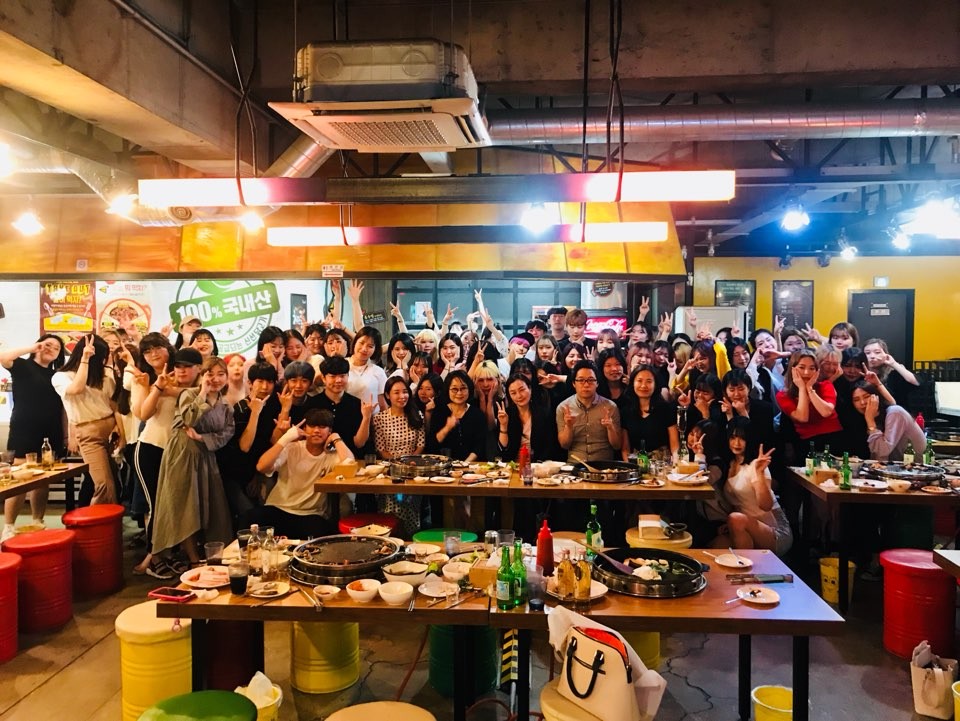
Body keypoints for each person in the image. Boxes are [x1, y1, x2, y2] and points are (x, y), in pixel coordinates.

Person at [151, 356, 235, 565]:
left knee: (212, 508)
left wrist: (203, 438)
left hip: (206, 456)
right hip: (183, 454)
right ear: (201, 375)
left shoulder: (226, 405)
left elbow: (227, 433)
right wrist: (203, 393)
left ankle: (215, 555)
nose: (215, 379)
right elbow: (189, 418)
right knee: (185, 508)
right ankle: (192, 558)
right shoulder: (188, 394)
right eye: (210, 374)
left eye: (221, 374)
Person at [131, 341, 196, 578]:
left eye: (157, 348)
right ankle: (154, 557)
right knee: (155, 506)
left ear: (168, 349)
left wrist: (172, 389)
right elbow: (143, 413)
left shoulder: (183, 374)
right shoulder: (143, 379)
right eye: (147, 351)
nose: (153, 354)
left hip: (177, 452)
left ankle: (166, 555)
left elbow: (199, 395)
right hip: (151, 448)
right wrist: (157, 387)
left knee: (175, 505)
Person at [1, 335, 66, 543]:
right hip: (24, 429)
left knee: (42, 480)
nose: (50, 349)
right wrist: (31, 347)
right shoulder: (22, 366)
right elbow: (3, 357)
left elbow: (63, 408)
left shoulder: (57, 375)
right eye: (47, 344)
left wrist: (66, 435)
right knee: (20, 478)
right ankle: (8, 526)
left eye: (56, 348)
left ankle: (38, 521)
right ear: (38, 345)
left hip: (51, 431)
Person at [248, 408, 350, 538]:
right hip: (279, 507)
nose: (316, 430)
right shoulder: (292, 448)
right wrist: (285, 438)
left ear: (329, 431)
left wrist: (336, 438)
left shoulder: (331, 455)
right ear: (305, 428)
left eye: (322, 427)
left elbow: (349, 464)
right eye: (312, 426)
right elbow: (261, 466)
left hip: (311, 513)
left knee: (319, 531)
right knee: (251, 517)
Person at [52, 334, 120, 505]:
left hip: (110, 430)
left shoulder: (103, 375)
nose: (103, 361)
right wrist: (85, 359)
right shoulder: (62, 376)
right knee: (104, 484)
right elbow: (76, 389)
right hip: (89, 434)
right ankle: (100, 520)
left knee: (113, 480)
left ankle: (109, 518)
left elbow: (113, 405)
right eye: (101, 357)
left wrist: (119, 430)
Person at [713, 420, 793, 555]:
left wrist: (760, 473)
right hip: (746, 526)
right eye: (733, 438)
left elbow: (766, 505)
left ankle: (747, 567)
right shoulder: (731, 463)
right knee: (716, 546)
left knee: (735, 519)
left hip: (774, 530)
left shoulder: (756, 464)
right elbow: (739, 504)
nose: (737, 443)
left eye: (742, 439)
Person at [373, 377, 426, 536]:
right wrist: (398, 464)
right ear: (387, 395)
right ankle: (391, 537)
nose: (402, 396)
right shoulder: (380, 418)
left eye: (405, 392)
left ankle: (410, 538)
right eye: (396, 392)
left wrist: (410, 462)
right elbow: (381, 449)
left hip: (413, 469)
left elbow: (420, 444)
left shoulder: (416, 415)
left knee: (411, 508)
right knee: (392, 507)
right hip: (391, 471)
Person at [556, 360, 621, 462]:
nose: (586, 385)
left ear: (597, 383)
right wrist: (568, 426)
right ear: (574, 383)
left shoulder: (610, 407)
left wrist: (610, 427)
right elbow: (564, 445)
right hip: (575, 465)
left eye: (591, 380)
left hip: (604, 466)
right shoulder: (563, 407)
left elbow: (617, 445)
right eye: (581, 380)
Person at [311, 356, 375, 457]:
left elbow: (359, 443)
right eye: (333, 376)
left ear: (348, 376)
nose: (338, 380)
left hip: (351, 458)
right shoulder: (313, 404)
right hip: (321, 460)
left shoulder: (356, 404)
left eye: (342, 376)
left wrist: (366, 417)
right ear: (323, 378)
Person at [852, 380, 926, 461]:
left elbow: (882, 452)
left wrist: (870, 421)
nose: (862, 402)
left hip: (916, 467)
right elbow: (878, 457)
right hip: (895, 466)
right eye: (856, 400)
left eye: (866, 396)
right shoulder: (872, 418)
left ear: (877, 397)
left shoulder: (895, 412)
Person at [618, 365, 678, 459]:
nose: (643, 385)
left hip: (663, 462)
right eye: (639, 381)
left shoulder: (666, 409)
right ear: (632, 383)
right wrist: (629, 466)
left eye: (649, 381)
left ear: (655, 385)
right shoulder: (626, 412)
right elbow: (625, 448)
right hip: (636, 462)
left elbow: (675, 446)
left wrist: (675, 463)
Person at [348, 326, 387, 410]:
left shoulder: (378, 371)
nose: (364, 349)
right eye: (361, 343)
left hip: (372, 417)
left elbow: (382, 404)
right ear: (355, 342)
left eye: (370, 346)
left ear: (375, 349)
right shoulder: (343, 365)